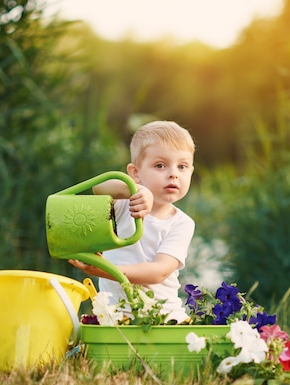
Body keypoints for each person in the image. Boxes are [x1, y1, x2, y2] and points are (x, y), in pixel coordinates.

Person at [68, 120, 196, 323]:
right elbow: (100, 187)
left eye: (182, 166)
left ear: (190, 171)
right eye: (160, 165)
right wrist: (136, 191)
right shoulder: (122, 205)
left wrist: (104, 270)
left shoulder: (181, 223)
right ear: (135, 173)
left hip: (161, 317)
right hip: (114, 315)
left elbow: (159, 272)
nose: (173, 173)